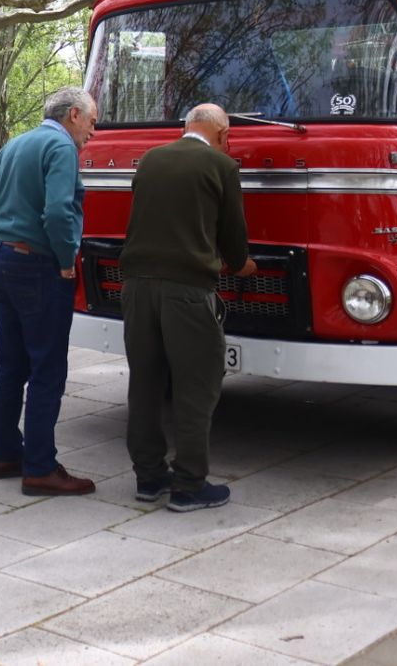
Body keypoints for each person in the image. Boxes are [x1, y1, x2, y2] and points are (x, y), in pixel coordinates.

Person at [119, 102, 254, 512]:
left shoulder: (151, 160)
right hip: (188, 290)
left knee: (145, 381)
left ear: (186, 127)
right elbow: (233, 239)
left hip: (137, 288)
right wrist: (244, 264)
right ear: (222, 134)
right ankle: (189, 484)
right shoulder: (221, 167)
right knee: (196, 385)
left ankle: (149, 477)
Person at [0, 85, 98, 496]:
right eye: (92, 122)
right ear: (74, 114)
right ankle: (40, 466)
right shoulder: (61, 149)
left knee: (12, 365)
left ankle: (5, 454)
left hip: (4, 259)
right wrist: (63, 258)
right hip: (40, 265)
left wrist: (5, 232)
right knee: (47, 367)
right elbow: (58, 211)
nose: (92, 133)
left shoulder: (18, 143)